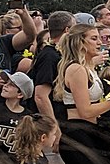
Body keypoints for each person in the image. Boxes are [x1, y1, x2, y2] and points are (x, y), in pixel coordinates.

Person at [54, 24, 110, 164]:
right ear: (80, 42)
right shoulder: (76, 70)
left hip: (88, 132)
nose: (99, 42)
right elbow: (86, 111)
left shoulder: (86, 68)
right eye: (93, 38)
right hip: (77, 133)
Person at [29, 11, 76, 150]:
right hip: (48, 126)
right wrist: (54, 128)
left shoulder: (59, 53)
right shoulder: (50, 56)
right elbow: (40, 96)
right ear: (67, 30)